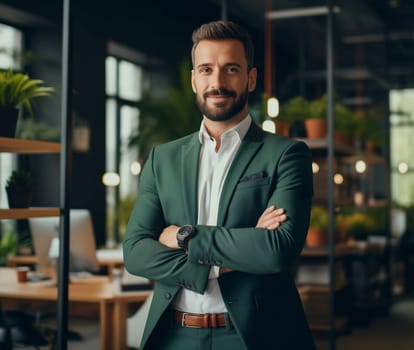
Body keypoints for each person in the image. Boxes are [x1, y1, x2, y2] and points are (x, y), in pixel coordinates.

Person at [123, 20, 316, 350]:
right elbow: (136, 252)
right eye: (206, 70)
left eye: (230, 69)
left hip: (254, 336)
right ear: (194, 80)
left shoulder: (286, 154)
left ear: (250, 78)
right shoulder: (162, 159)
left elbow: (276, 250)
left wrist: (182, 235)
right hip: (174, 334)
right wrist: (228, 258)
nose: (217, 82)